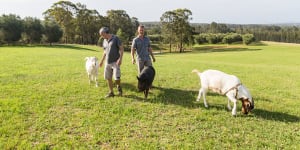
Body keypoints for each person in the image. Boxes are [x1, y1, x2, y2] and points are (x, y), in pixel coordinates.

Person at [99, 27, 123, 98]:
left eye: (102, 34)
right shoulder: (104, 41)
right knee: (108, 77)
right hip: (107, 62)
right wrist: (102, 61)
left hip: (115, 62)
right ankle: (111, 92)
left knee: (116, 78)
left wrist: (120, 59)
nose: (101, 36)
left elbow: (121, 48)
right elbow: (105, 51)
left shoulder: (116, 38)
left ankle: (119, 87)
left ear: (106, 33)